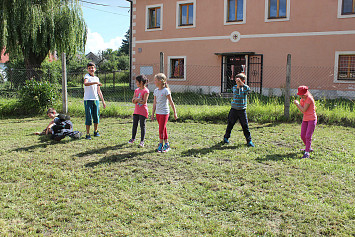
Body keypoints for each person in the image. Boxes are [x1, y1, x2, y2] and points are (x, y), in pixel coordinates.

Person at [223, 73, 254, 147]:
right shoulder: (234, 87)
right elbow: (237, 93)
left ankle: (249, 141)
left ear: (243, 81)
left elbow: (248, 90)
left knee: (245, 126)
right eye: (236, 80)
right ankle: (226, 137)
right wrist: (238, 85)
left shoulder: (245, 88)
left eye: (238, 80)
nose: (236, 81)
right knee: (230, 124)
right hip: (234, 110)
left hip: (242, 110)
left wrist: (241, 84)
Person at [151, 73, 178, 152]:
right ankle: (167, 144)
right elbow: (154, 103)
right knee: (163, 128)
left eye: (155, 80)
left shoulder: (166, 91)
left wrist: (175, 112)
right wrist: (152, 113)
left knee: (161, 129)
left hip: (164, 113)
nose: (154, 82)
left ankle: (160, 145)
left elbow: (171, 102)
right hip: (158, 113)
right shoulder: (156, 91)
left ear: (160, 81)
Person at [83, 62, 106, 140]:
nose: (91, 69)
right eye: (89, 68)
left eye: (92, 68)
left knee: (96, 116)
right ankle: (87, 134)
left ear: (95, 69)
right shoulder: (87, 76)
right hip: (87, 100)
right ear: (87, 69)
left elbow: (99, 91)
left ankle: (96, 131)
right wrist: (95, 83)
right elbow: (85, 83)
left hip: (95, 100)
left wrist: (103, 101)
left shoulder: (97, 78)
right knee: (88, 116)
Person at [293, 85, 317, 159]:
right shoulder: (302, 99)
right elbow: (302, 111)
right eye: (300, 95)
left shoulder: (309, 99)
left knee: (308, 136)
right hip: (305, 119)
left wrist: (297, 104)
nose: (301, 96)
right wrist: (299, 104)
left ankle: (307, 153)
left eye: (302, 95)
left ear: (306, 93)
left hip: (312, 119)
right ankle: (308, 147)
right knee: (303, 135)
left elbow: (304, 110)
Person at [128, 75, 150, 147]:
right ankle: (133, 138)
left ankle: (142, 141)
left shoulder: (146, 91)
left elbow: (144, 101)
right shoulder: (136, 90)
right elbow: (133, 100)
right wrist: (137, 100)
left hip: (143, 111)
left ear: (141, 82)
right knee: (134, 125)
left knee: (142, 126)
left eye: (137, 81)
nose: (135, 83)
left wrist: (137, 100)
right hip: (136, 111)